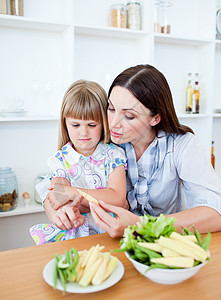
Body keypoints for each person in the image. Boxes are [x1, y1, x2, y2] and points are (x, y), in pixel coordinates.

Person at [44, 65, 221, 238]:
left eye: (129, 116)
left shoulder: (182, 145)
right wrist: (55, 210)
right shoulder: (102, 141)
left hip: (163, 242)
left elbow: (215, 214)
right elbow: (59, 185)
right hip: (109, 241)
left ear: (155, 118)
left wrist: (142, 226)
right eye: (111, 109)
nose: (113, 123)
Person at [30, 80, 127, 244]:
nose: (83, 132)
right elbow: (58, 197)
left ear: (104, 123)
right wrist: (67, 209)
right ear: (65, 123)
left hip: (110, 234)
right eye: (75, 124)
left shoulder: (113, 155)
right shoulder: (60, 160)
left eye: (91, 124)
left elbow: (117, 197)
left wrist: (76, 194)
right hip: (76, 237)